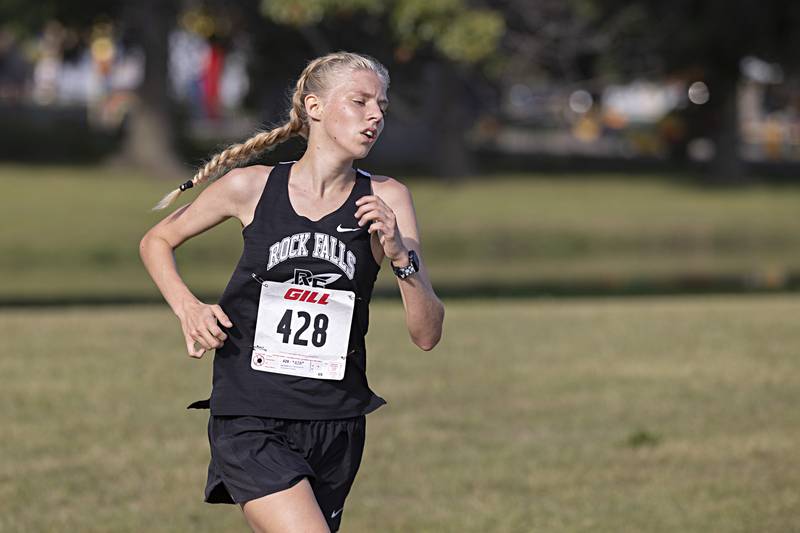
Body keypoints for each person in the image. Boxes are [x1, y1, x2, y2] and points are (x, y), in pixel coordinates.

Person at [138, 51, 445, 532]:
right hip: (250, 413)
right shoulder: (250, 187)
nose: (376, 116)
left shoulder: (389, 197)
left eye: (381, 105)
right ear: (315, 107)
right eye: (359, 101)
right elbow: (156, 240)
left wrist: (402, 257)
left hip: (336, 420)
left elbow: (426, 334)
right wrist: (188, 307)